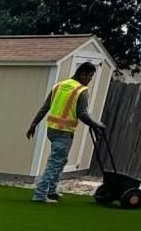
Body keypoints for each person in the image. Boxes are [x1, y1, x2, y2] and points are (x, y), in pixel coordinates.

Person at [26, 61, 106, 204]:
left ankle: (51, 191)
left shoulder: (59, 85)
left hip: (52, 129)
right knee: (55, 162)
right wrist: (96, 125)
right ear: (82, 74)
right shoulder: (81, 90)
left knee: (62, 160)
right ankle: (40, 194)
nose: (90, 80)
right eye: (90, 76)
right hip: (64, 132)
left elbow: (45, 107)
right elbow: (82, 114)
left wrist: (34, 124)